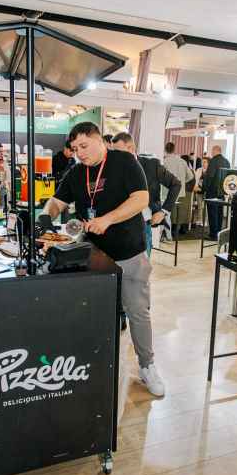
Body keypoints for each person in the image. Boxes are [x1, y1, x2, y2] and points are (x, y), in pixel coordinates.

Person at [42, 122, 165, 397]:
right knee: (95, 311)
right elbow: (57, 201)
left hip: (129, 253)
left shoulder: (124, 161)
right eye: (75, 149)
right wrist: (45, 215)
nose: (80, 153)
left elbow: (141, 199)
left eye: (84, 146)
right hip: (95, 258)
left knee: (137, 311)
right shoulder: (76, 172)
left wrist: (107, 219)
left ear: (99, 140)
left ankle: (147, 366)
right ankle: (95, 363)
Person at [111, 133, 180, 255]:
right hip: (119, 226)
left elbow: (176, 184)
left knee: (143, 264)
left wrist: (163, 212)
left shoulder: (151, 165)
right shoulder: (112, 168)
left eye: (118, 152)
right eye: (113, 152)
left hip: (143, 226)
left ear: (131, 148)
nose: (115, 156)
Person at [163, 142, 195, 234]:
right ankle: (176, 230)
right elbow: (191, 176)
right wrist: (182, 182)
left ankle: (170, 231)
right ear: (174, 149)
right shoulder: (182, 161)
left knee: (170, 211)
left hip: (168, 191)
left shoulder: (164, 162)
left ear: (165, 150)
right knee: (179, 211)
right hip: (180, 190)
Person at [202, 145, 230, 240]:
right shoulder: (226, 161)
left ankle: (213, 234)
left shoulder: (213, 161)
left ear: (215, 151)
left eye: (212, 151)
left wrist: (204, 188)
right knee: (219, 212)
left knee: (212, 213)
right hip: (222, 191)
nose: (211, 153)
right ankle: (218, 233)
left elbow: (210, 176)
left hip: (212, 191)